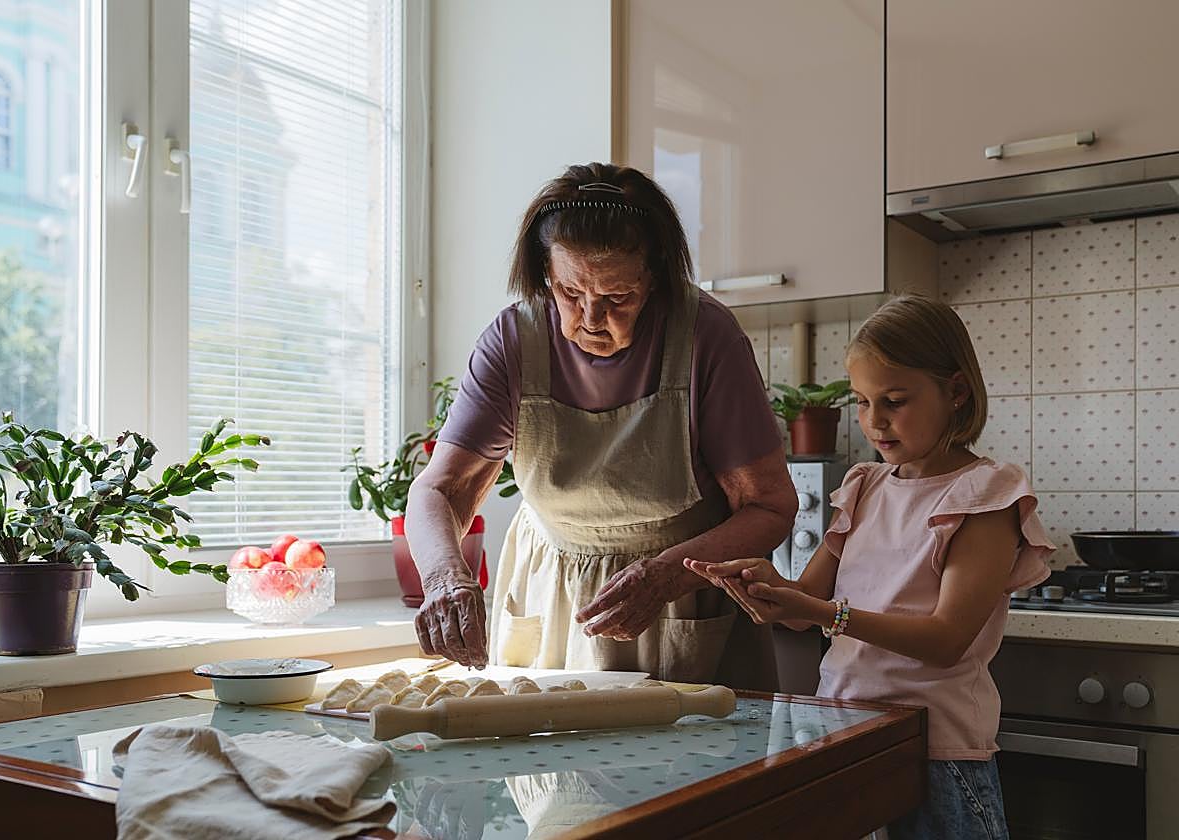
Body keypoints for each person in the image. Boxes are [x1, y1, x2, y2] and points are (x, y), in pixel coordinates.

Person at [404, 162, 797, 689]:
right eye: (569, 293)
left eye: (617, 298)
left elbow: (770, 505)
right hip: (549, 599)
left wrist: (665, 577)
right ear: (546, 273)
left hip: (680, 600)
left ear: (653, 279)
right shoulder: (513, 340)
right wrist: (445, 579)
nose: (590, 318)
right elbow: (441, 489)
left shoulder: (706, 336)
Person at [685, 295, 1054, 840]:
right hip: (847, 737)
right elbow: (800, 609)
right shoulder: (865, 486)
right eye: (861, 402)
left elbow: (947, 639)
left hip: (936, 750)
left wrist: (821, 612)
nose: (874, 421)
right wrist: (764, 587)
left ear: (956, 392)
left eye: (895, 401)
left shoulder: (984, 494)